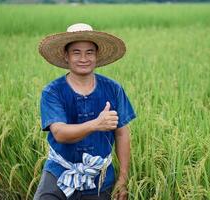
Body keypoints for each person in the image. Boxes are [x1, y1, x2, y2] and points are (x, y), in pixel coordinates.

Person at [34, 23, 136, 200]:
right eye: (76, 52)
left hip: (100, 178)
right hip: (59, 173)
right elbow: (59, 133)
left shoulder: (113, 89)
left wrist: (123, 178)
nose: (84, 58)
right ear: (66, 56)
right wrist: (96, 124)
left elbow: (122, 134)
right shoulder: (52, 91)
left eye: (89, 52)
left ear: (97, 56)